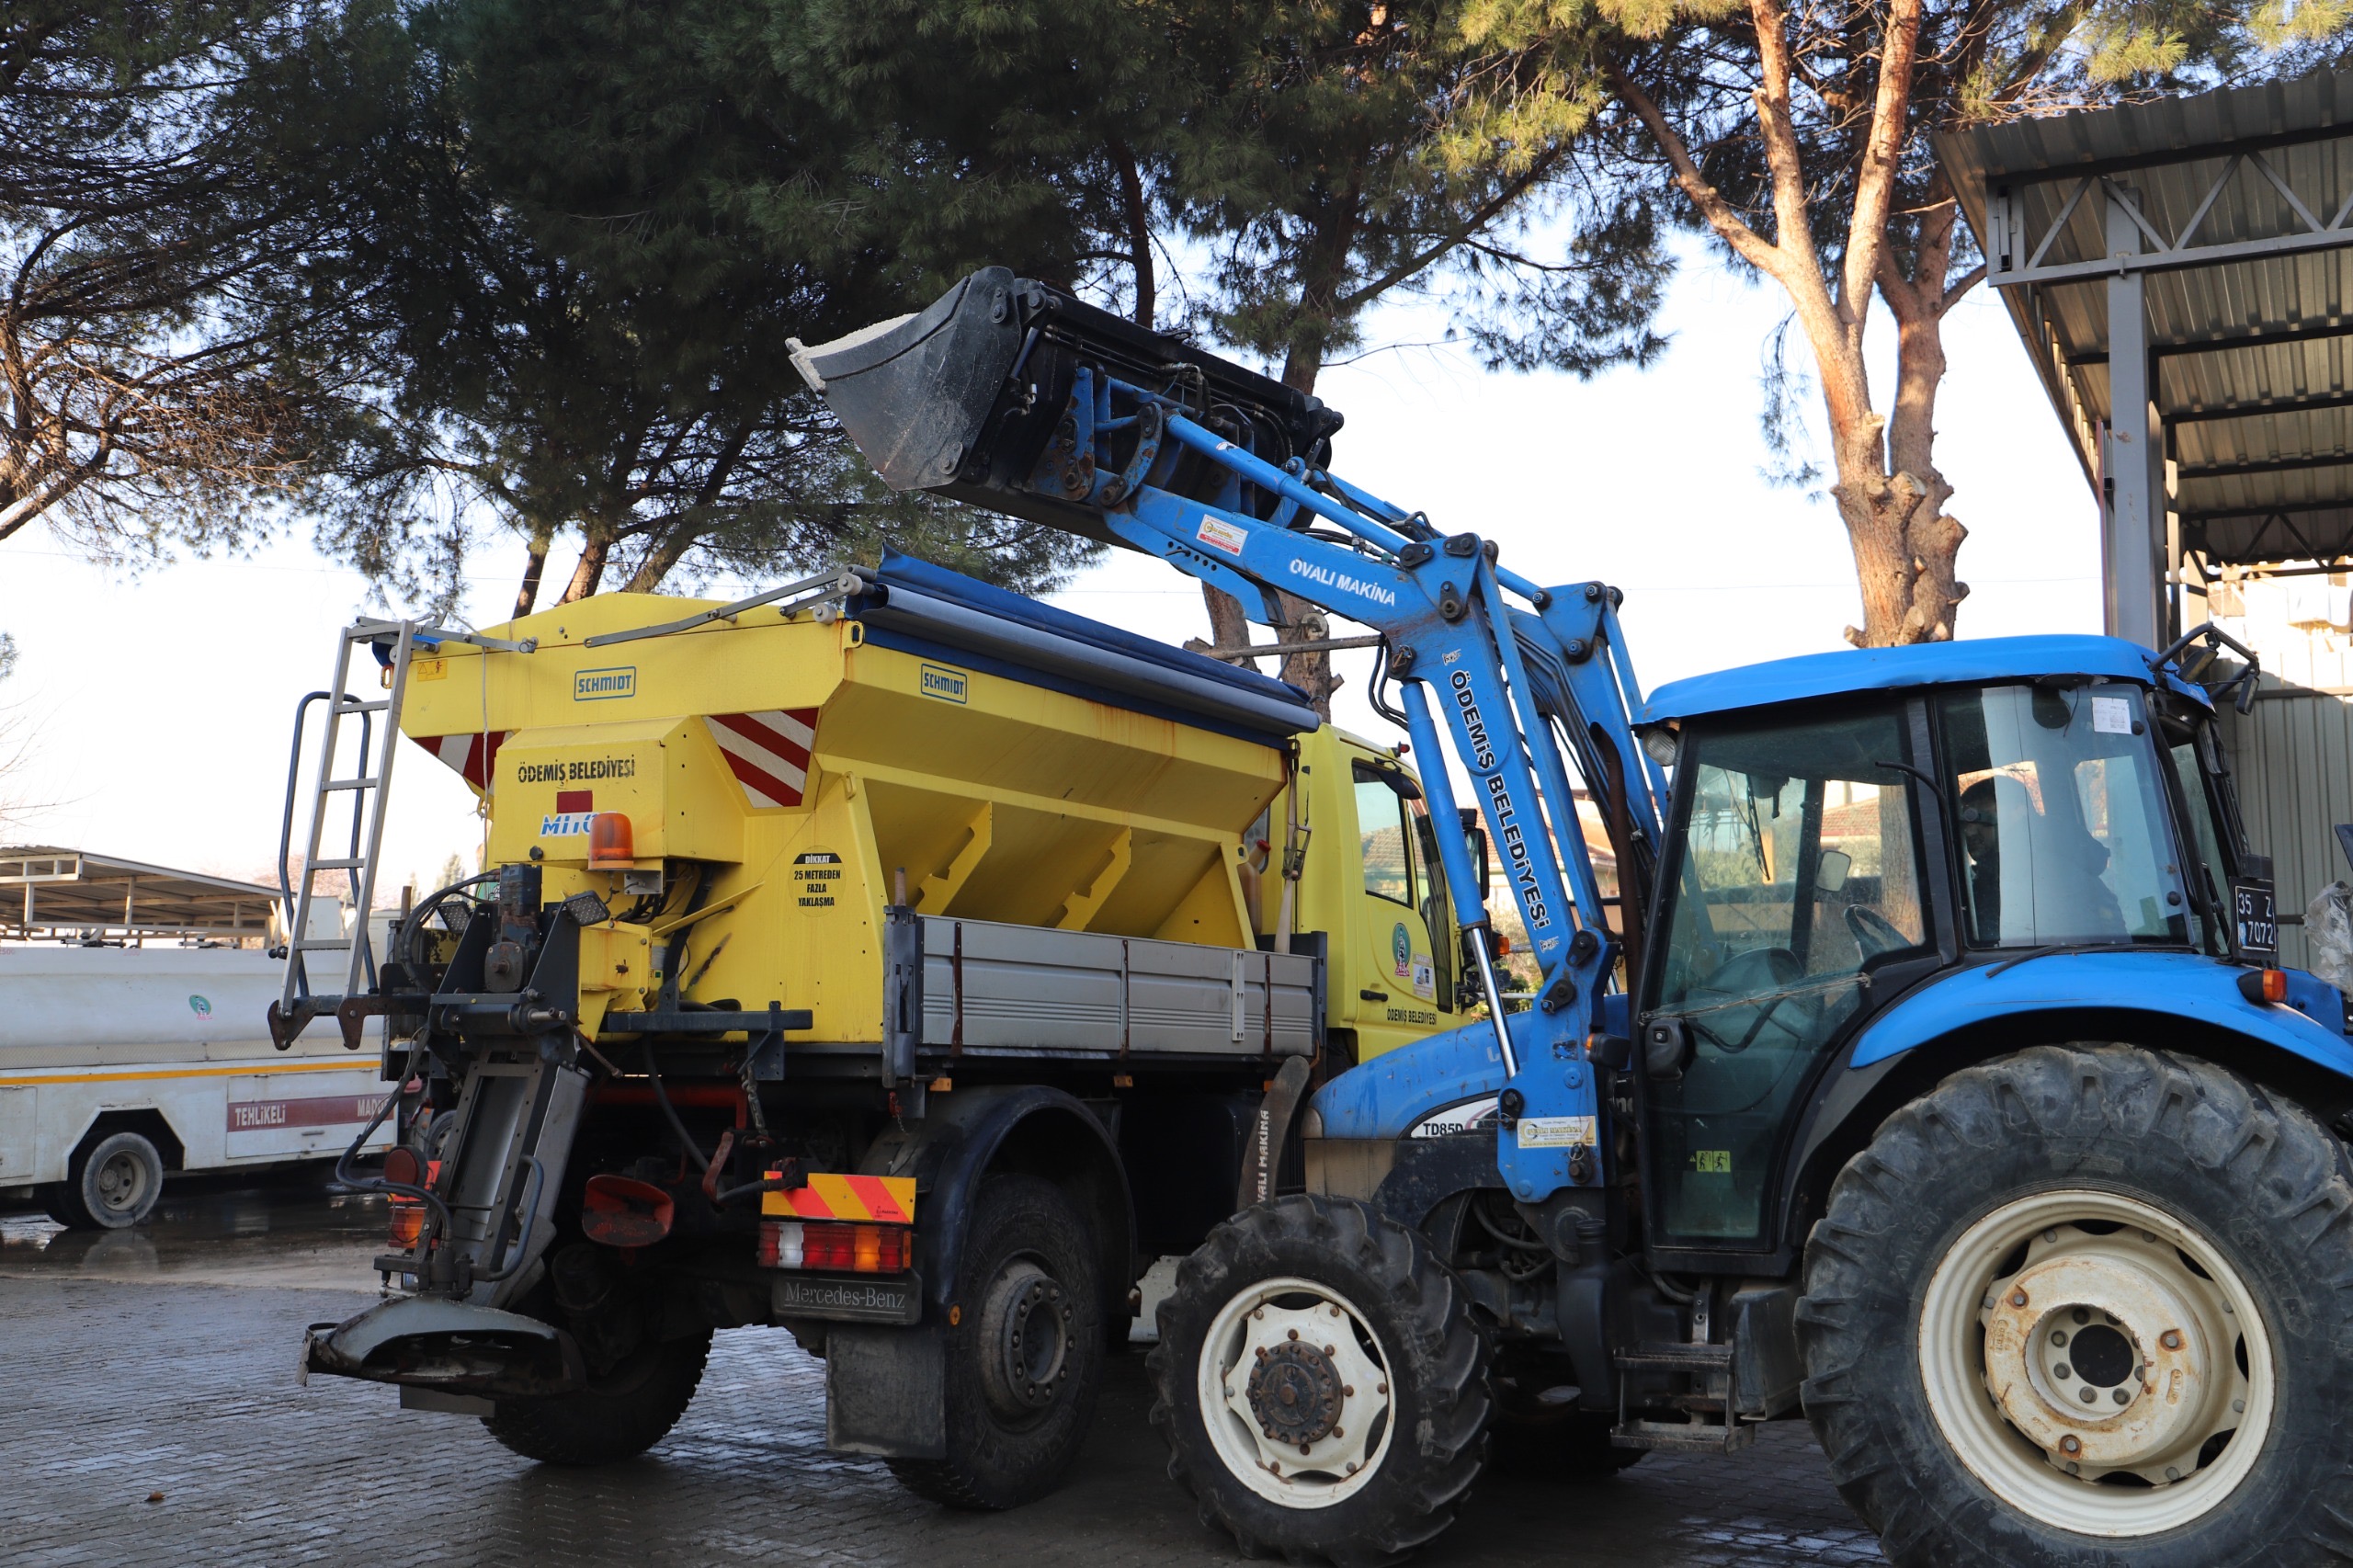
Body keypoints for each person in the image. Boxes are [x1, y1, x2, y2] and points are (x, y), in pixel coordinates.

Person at [1958, 775, 2122, 944]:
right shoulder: (2003, 871)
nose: (1968, 831)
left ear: (2020, 810)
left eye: (1979, 816)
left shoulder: (2038, 871)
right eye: (1966, 821)